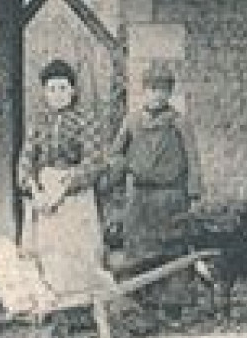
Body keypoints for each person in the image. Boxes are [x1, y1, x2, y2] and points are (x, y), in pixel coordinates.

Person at [108, 61, 203, 319]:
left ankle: (173, 308)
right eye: (152, 89)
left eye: (163, 90)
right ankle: (141, 307)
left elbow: (193, 160)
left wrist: (194, 196)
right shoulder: (131, 122)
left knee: (172, 251)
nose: (157, 95)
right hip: (139, 199)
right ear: (144, 91)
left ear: (169, 93)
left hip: (171, 197)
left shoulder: (180, 124)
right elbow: (115, 154)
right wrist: (120, 170)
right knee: (139, 251)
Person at [17, 59, 113, 300]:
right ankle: (52, 311)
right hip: (43, 197)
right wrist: (34, 190)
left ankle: (84, 309)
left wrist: (65, 188)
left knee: (76, 257)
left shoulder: (86, 120)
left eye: (62, 88)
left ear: (72, 90)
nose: (57, 94)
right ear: (44, 92)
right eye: (52, 89)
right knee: (45, 256)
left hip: (75, 198)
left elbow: (94, 163)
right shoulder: (38, 122)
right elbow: (26, 160)